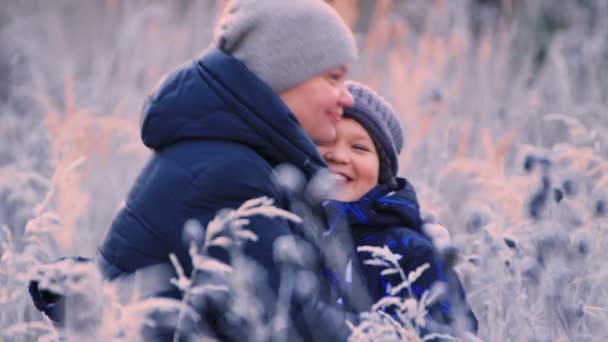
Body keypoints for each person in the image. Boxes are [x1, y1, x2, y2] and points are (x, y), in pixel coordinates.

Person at [30, 0, 361, 341]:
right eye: (333, 78)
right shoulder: (227, 174)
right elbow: (286, 326)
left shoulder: (234, 156)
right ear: (283, 71)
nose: (347, 98)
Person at [316, 81, 478, 333]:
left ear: (383, 171)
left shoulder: (411, 252)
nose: (338, 156)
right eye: (326, 141)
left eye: (359, 147)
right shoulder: (289, 228)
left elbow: (454, 332)